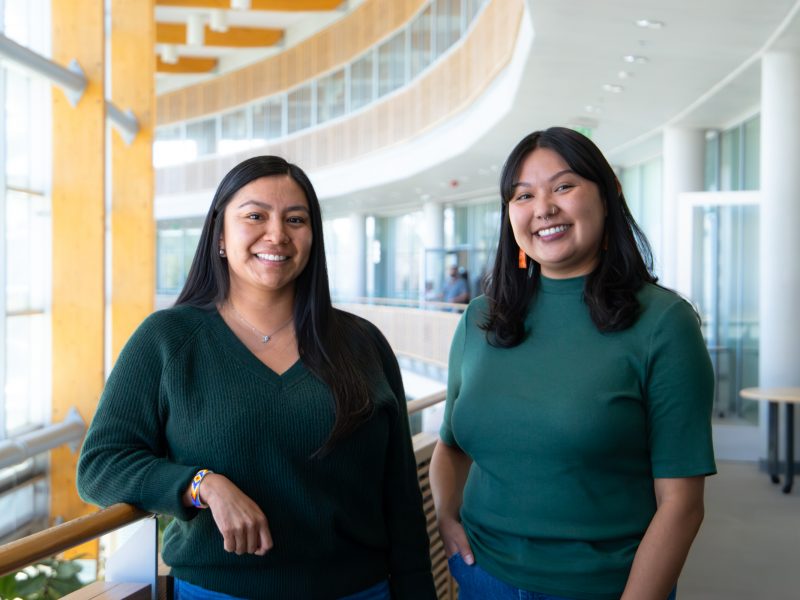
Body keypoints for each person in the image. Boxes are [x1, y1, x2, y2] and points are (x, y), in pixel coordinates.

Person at [77, 156, 437, 600]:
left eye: (295, 219)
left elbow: (400, 497)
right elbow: (100, 466)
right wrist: (200, 484)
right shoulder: (167, 340)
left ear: (312, 237)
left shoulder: (363, 344)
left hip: (359, 591)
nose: (277, 234)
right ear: (221, 235)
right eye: (255, 216)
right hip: (218, 593)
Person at [429, 127, 715, 600]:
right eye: (523, 195)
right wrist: (444, 518)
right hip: (482, 576)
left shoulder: (664, 323)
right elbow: (450, 446)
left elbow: (681, 505)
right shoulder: (482, 316)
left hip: (604, 586)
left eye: (563, 186)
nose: (543, 208)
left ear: (609, 196)